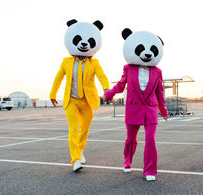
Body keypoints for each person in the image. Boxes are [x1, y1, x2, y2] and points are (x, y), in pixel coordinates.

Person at [103, 28, 168, 181]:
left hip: (151, 109)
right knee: (131, 139)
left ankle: (150, 170)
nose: (147, 53)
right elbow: (120, 85)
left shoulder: (157, 71)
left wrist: (163, 110)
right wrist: (108, 94)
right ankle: (128, 161)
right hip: (133, 108)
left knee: (151, 139)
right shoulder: (128, 68)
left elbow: (160, 92)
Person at [50, 19, 109, 172]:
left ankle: (80, 149)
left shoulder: (94, 63)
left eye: (88, 41)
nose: (83, 44)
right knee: (73, 129)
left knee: (84, 129)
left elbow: (102, 76)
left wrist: (107, 89)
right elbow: (58, 78)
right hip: (72, 101)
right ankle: (75, 159)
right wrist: (53, 94)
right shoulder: (66, 62)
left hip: (87, 102)